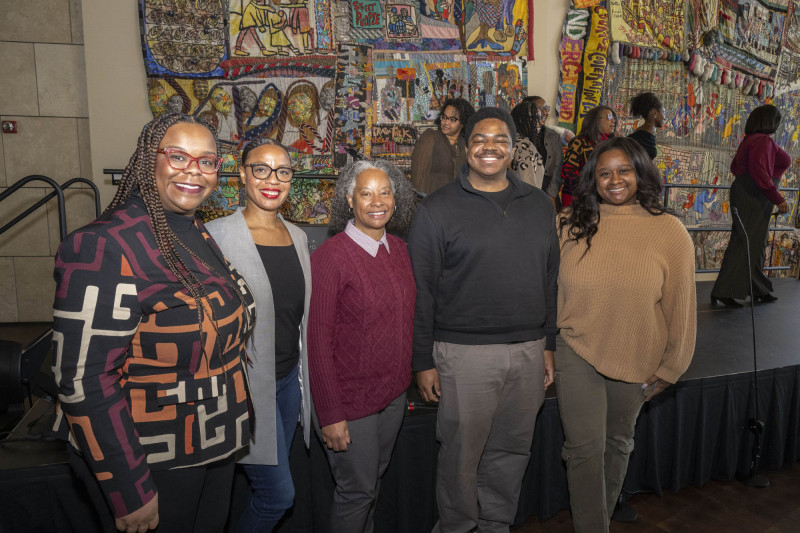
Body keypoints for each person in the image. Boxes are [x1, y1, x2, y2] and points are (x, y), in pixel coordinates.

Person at [52, 114, 255, 533]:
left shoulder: (192, 230)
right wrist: (129, 488)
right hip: (148, 460)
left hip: (210, 445)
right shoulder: (104, 244)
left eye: (206, 161)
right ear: (149, 160)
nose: (193, 172)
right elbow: (82, 379)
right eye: (178, 156)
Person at [409, 107, 559, 533]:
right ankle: (457, 528)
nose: (489, 147)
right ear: (466, 147)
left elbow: (550, 280)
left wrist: (548, 345)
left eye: (500, 140)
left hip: (528, 353)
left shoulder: (540, 206)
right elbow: (422, 293)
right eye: (479, 139)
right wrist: (423, 361)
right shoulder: (436, 209)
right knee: (460, 456)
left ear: (513, 149)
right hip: (463, 355)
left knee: (512, 452)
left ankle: (495, 525)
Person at [556, 136, 696, 532]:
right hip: (576, 348)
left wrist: (673, 366)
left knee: (617, 444)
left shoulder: (669, 231)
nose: (614, 180)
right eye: (604, 173)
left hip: (637, 355)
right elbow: (548, 288)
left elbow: (681, 306)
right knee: (584, 450)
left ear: (641, 173)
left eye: (624, 170)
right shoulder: (568, 223)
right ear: (592, 180)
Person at [206, 138, 312, 532]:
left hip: (287, 384)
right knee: (277, 496)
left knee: (266, 490)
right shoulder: (216, 237)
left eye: (283, 171)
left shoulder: (298, 237)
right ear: (242, 174)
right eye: (261, 169)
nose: (273, 179)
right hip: (245, 390)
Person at [307, 160, 417, 532]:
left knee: (372, 485)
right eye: (366, 193)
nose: (377, 201)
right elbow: (317, 342)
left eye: (385, 192)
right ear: (349, 200)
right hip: (350, 402)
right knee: (356, 491)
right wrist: (330, 414)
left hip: (393, 395)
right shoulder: (330, 257)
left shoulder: (399, 249)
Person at [711, 104, 791, 307]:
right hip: (755, 194)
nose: (778, 125)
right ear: (769, 121)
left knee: (755, 242)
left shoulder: (754, 140)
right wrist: (778, 198)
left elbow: (736, 166)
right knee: (746, 242)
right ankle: (724, 290)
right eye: (777, 121)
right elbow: (759, 172)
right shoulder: (762, 141)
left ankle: (758, 288)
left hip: (753, 192)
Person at [410, 97, 475, 195]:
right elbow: (419, 177)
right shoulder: (430, 137)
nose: (445, 122)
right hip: (432, 202)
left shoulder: (466, 143)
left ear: (462, 123)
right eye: (444, 117)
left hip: (459, 203)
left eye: (452, 119)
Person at [560, 105, 617, 209]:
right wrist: (594, 182)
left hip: (605, 201)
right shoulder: (579, 142)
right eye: (609, 117)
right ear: (595, 121)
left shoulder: (613, 145)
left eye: (613, 117)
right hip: (578, 200)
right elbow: (567, 172)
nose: (613, 121)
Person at [525, 96, 570, 205]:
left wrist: (552, 195)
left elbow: (558, 167)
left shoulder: (553, 136)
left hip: (548, 192)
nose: (545, 112)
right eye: (540, 108)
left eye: (546, 108)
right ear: (528, 111)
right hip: (525, 195)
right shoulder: (519, 137)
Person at [510, 98, 545, 188]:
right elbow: (529, 186)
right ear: (524, 120)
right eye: (537, 118)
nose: (541, 122)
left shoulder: (510, 141)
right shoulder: (525, 146)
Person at [627, 92, 664, 160]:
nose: (664, 117)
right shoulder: (638, 139)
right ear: (654, 113)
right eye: (663, 112)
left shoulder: (644, 135)